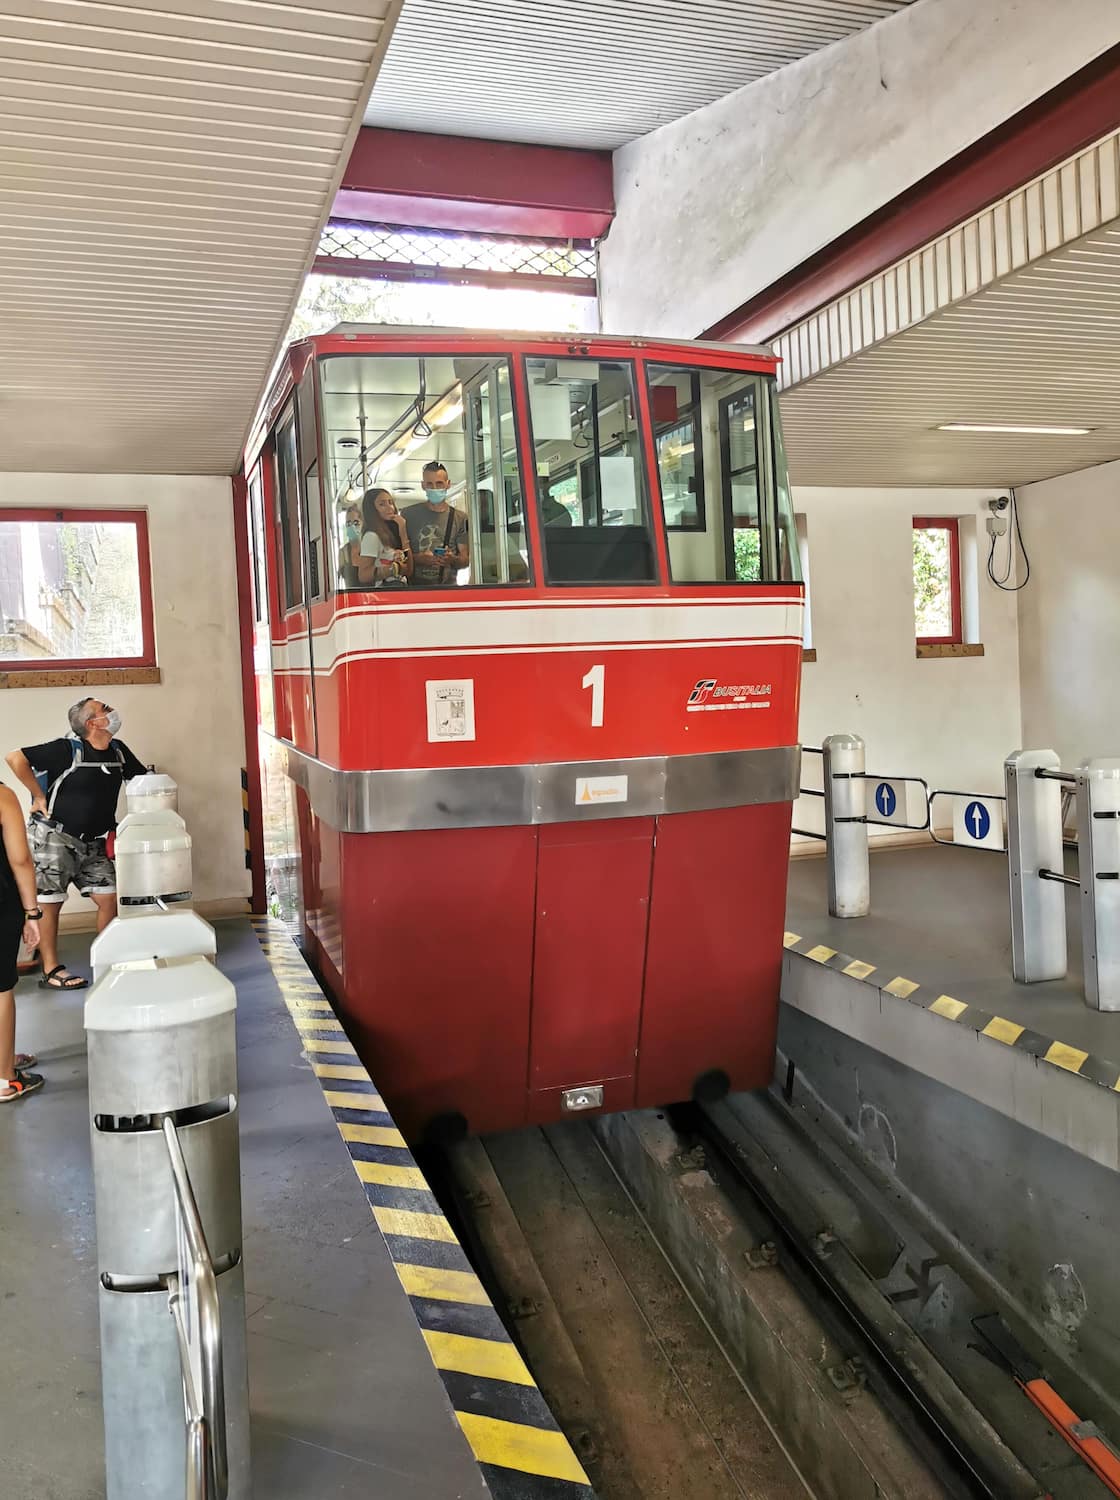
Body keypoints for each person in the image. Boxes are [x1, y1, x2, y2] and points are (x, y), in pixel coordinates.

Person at [4, 699, 146, 990]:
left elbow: (142, 780)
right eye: (105, 708)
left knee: (108, 898)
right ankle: (52, 969)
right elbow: (15, 758)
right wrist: (37, 796)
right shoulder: (65, 749)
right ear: (92, 723)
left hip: (94, 842)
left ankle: (107, 958)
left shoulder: (119, 751)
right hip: (54, 838)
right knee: (49, 905)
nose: (112, 711)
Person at [0, 786, 44, 1100]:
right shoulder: (2, 797)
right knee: (1, 990)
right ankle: (4, 1078)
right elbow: (20, 859)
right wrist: (32, 913)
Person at [402, 462, 469, 586]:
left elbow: (464, 560)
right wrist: (417, 559)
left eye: (439, 484)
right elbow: (398, 555)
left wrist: (451, 559)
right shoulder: (407, 515)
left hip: (448, 589)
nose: (434, 488)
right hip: (414, 589)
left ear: (448, 484)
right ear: (423, 485)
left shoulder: (459, 518)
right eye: (429, 484)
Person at [357, 487, 411, 586]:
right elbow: (363, 576)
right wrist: (393, 568)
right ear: (372, 509)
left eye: (390, 503)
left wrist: (403, 533)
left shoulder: (392, 533)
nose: (389, 507)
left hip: (401, 590)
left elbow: (409, 570)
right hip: (385, 594)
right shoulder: (372, 536)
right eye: (382, 504)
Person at [337, 502, 362, 587]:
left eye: (356, 523)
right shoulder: (343, 553)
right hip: (351, 598)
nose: (352, 527)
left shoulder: (370, 548)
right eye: (348, 523)